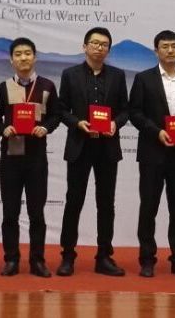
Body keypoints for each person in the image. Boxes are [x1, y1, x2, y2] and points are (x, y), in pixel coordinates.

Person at [128, 30, 175, 278]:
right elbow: (135, 113)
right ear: (156, 51)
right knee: (148, 207)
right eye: (165, 46)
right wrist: (157, 132)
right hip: (152, 152)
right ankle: (147, 259)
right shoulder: (143, 78)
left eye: (174, 46)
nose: (170, 50)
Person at [56, 27, 129, 277]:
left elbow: (125, 110)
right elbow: (61, 109)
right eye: (95, 43)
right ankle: (67, 256)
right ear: (85, 46)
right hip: (80, 145)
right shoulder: (70, 75)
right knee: (73, 201)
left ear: (109, 50)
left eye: (104, 44)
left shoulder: (118, 76)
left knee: (106, 203)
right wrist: (77, 123)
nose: (99, 48)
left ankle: (104, 257)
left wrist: (115, 123)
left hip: (107, 147)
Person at [0, 37, 61, 278]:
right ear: (11, 60)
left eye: (28, 53)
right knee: (10, 212)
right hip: (10, 156)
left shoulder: (47, 86)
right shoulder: (2, 88)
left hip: (36, 157)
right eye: (18, 54)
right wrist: (3, 129)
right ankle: (11, 259)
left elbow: (56, 115)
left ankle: (37, 260)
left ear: (35, 57)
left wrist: (46, 128)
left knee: (36, 213)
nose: (23, 58)